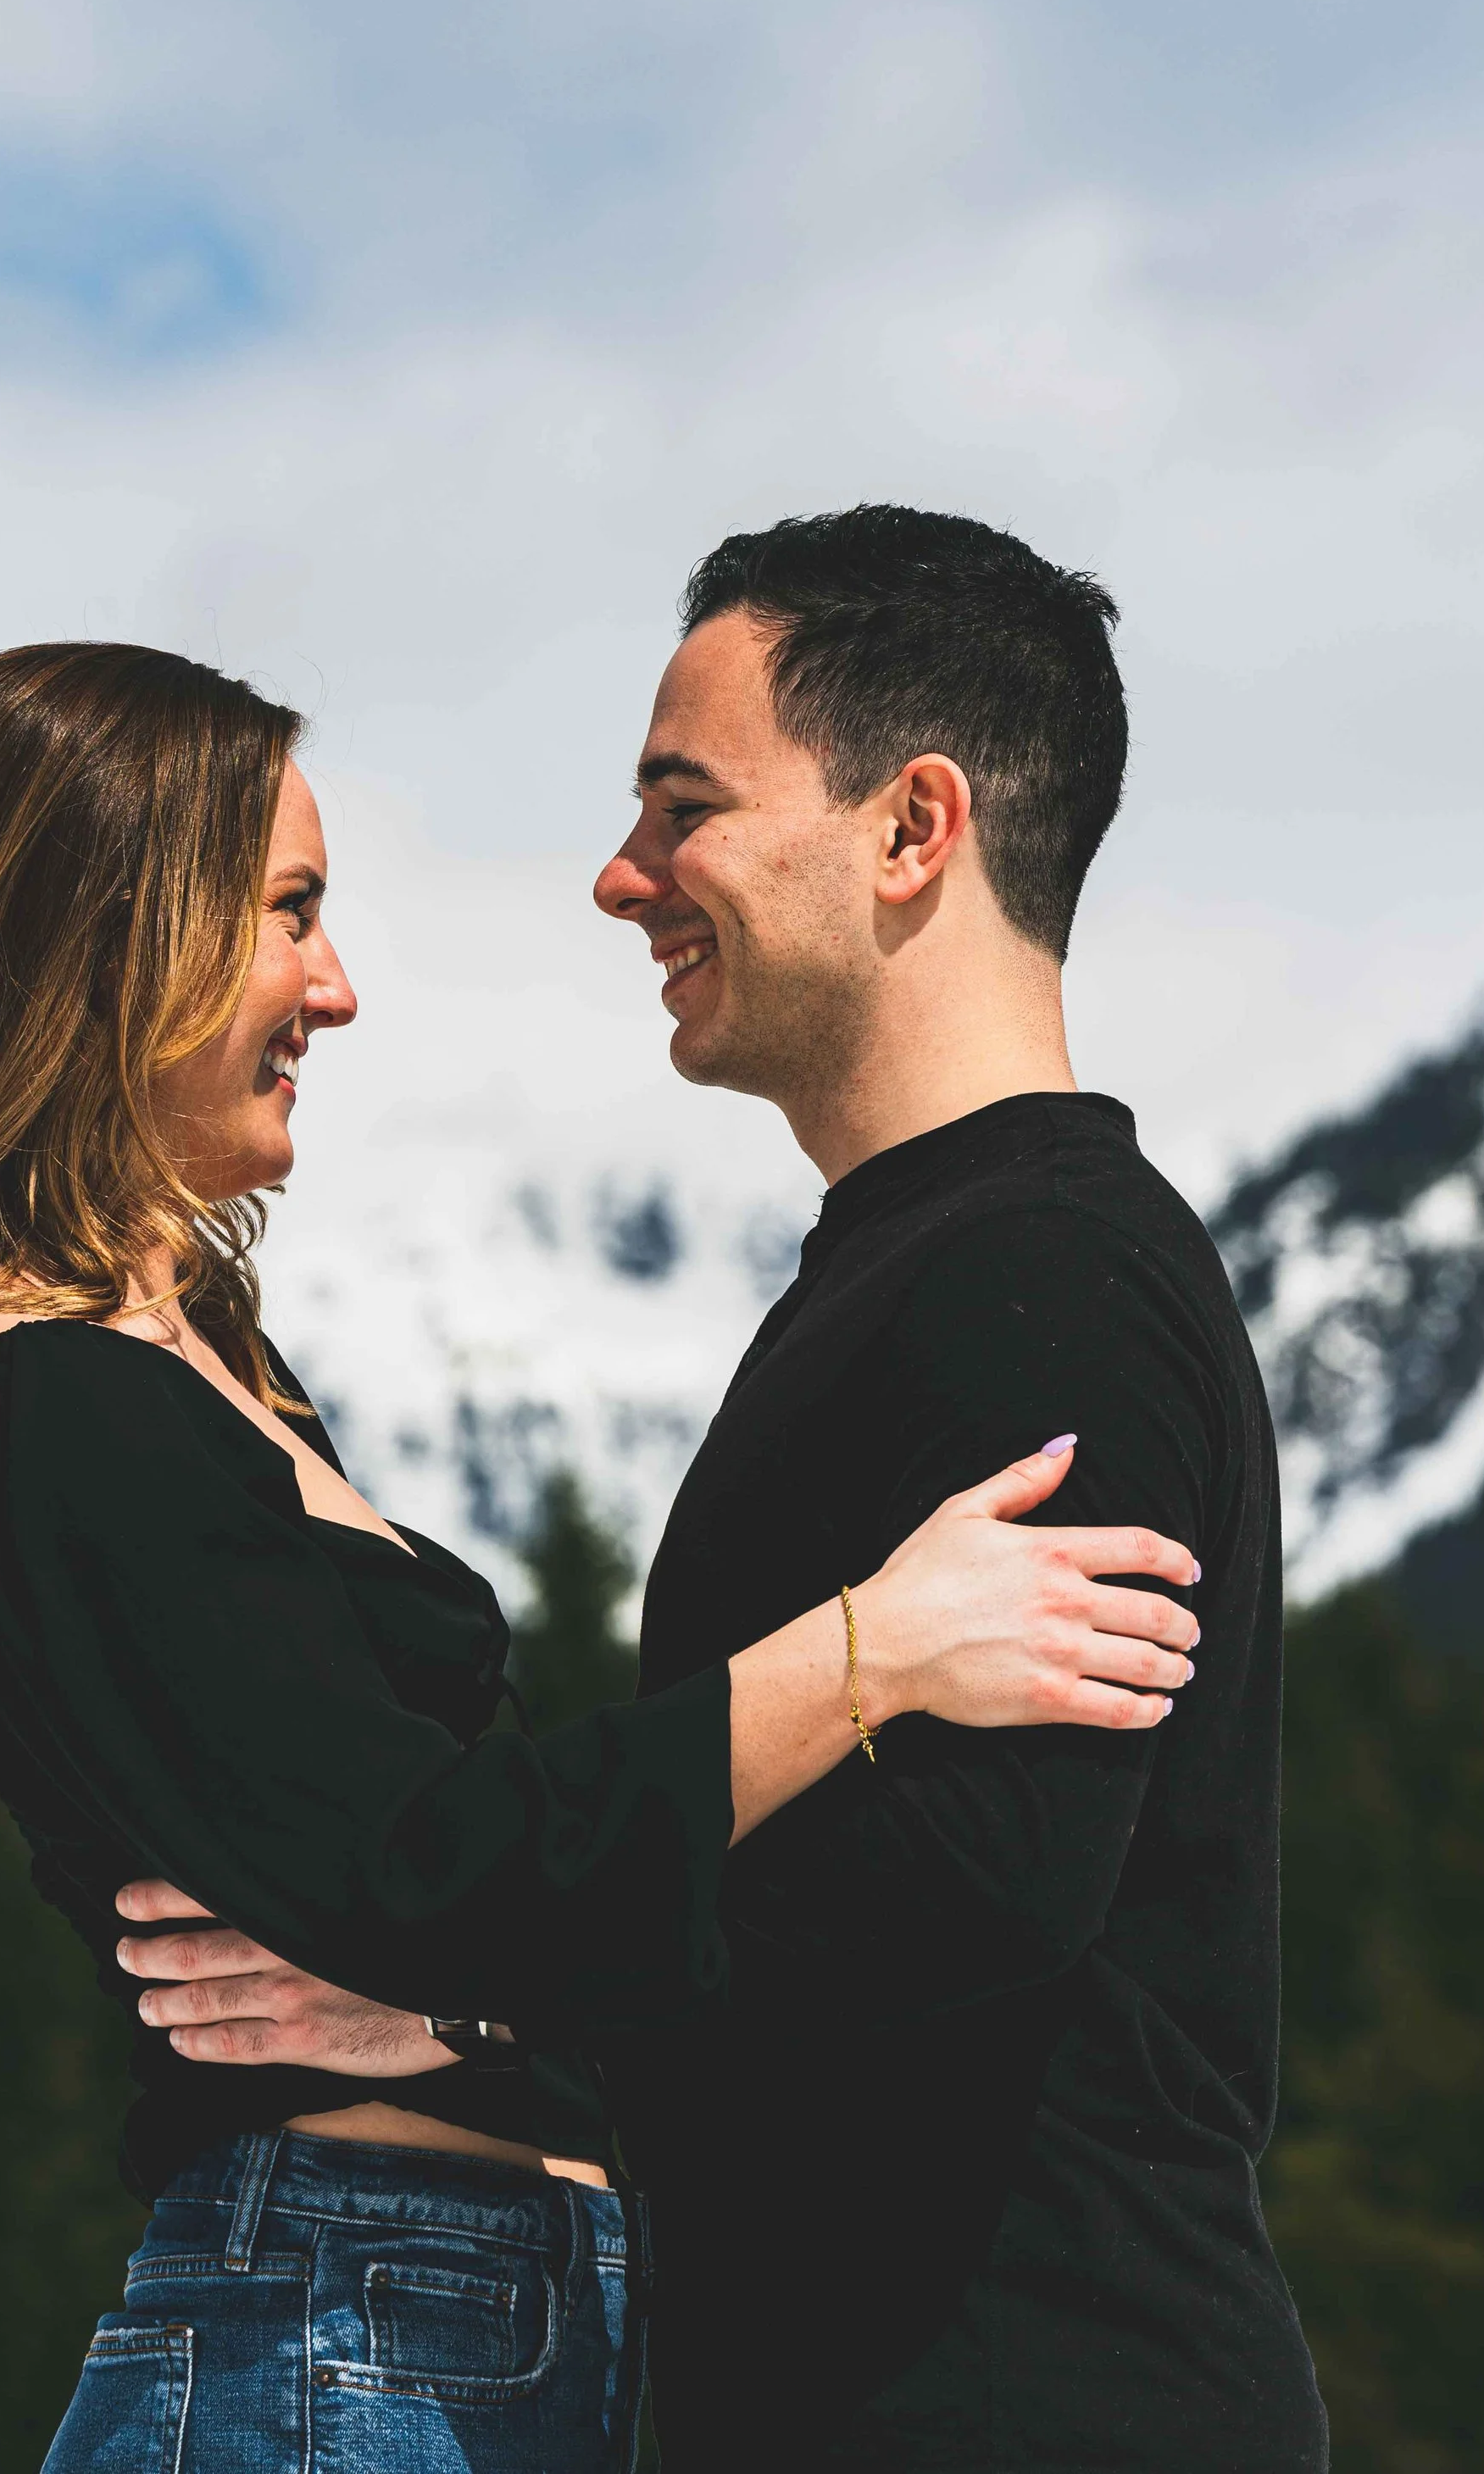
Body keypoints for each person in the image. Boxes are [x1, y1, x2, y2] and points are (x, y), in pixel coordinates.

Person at [0, 639, 1203, 2474]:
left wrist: (479, 1982)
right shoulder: (51, 1405)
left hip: (402, 2328)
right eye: (284, 912)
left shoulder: (174, 1363)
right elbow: (417, 1862)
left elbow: (427, 1880)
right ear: (103, 936)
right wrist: (868, 1650)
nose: (331, 988)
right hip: (335, 2333)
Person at [131, 510, 1330, 2470]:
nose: (621, 877)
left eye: (681, 807)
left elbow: (966, 1899)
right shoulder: (928, 1266)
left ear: (908, 828)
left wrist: (461, 2010)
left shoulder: (1049, 1285)